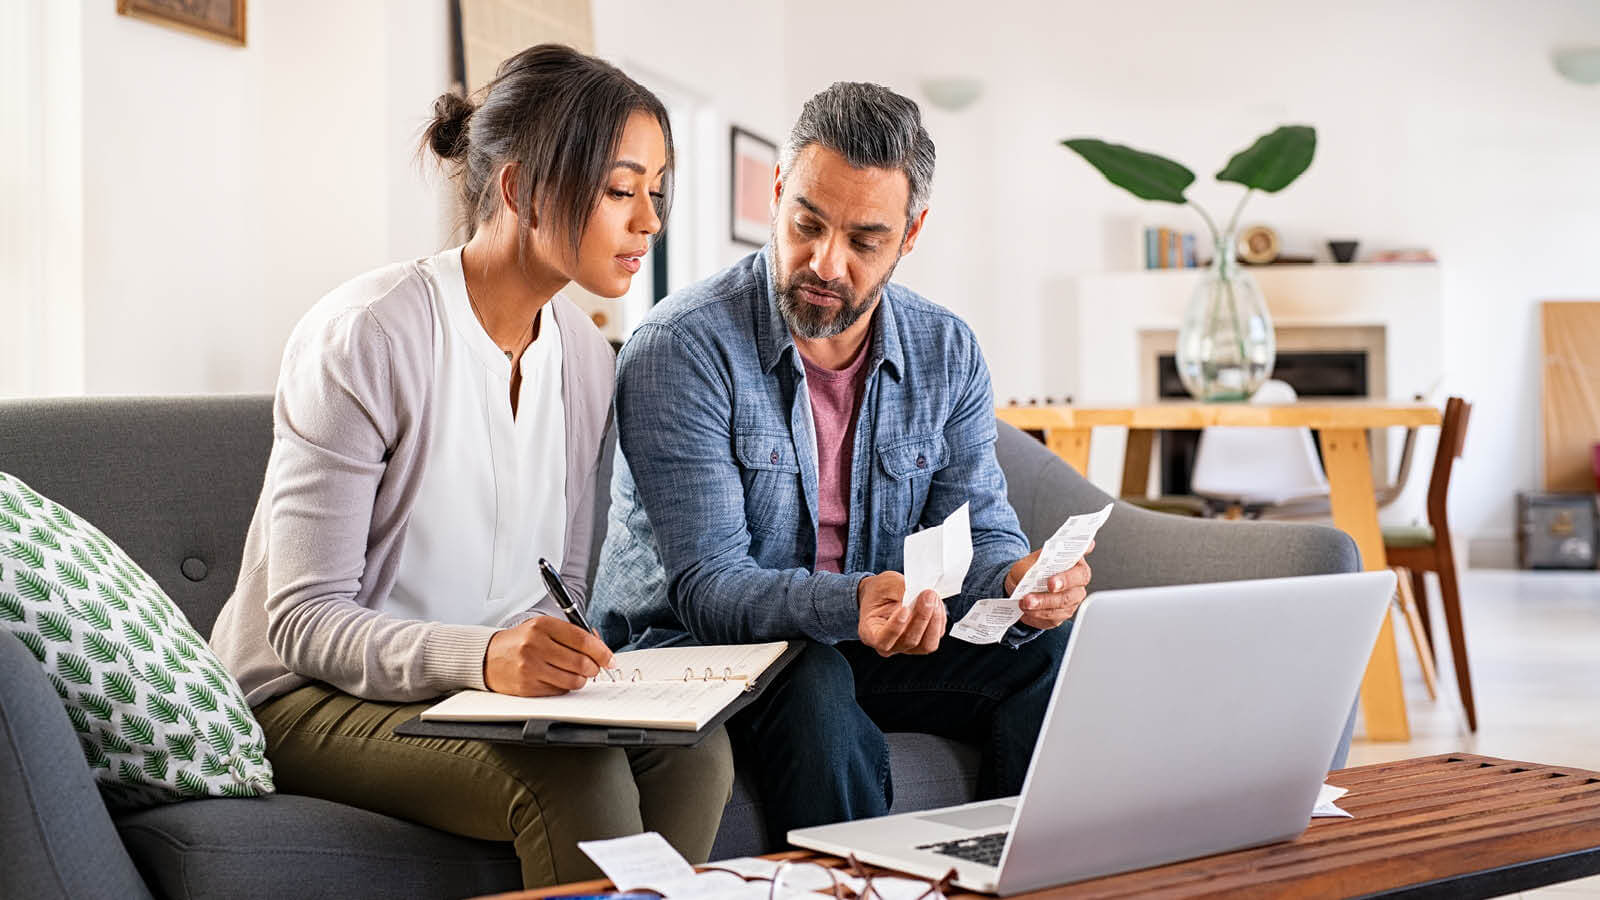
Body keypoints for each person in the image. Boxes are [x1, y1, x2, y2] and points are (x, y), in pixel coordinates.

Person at [209, 44, 733, 888]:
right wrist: (485, 658)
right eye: (619, 190)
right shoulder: (368, 336)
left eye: (657, 193)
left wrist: (568, 662)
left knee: (696, 754)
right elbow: (302, 622)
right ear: (522, 189)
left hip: (478, 698)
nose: (648, 222)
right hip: (308, 698)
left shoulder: (591, 362)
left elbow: (556, 581)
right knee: (579, 775)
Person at [590, 81, 1093, 838]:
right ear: (778, 193)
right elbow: (708, 587)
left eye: (865, 242)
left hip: (861, 634)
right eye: (807, 224)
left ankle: (1010, 877)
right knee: (815, 677)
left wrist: (1020, 581)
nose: (826, 263)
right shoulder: (682, 348)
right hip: (693, 650)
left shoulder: (945, 349)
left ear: (910, 234)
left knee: (1050, 653)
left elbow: (982, 533)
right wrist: (856, 604)